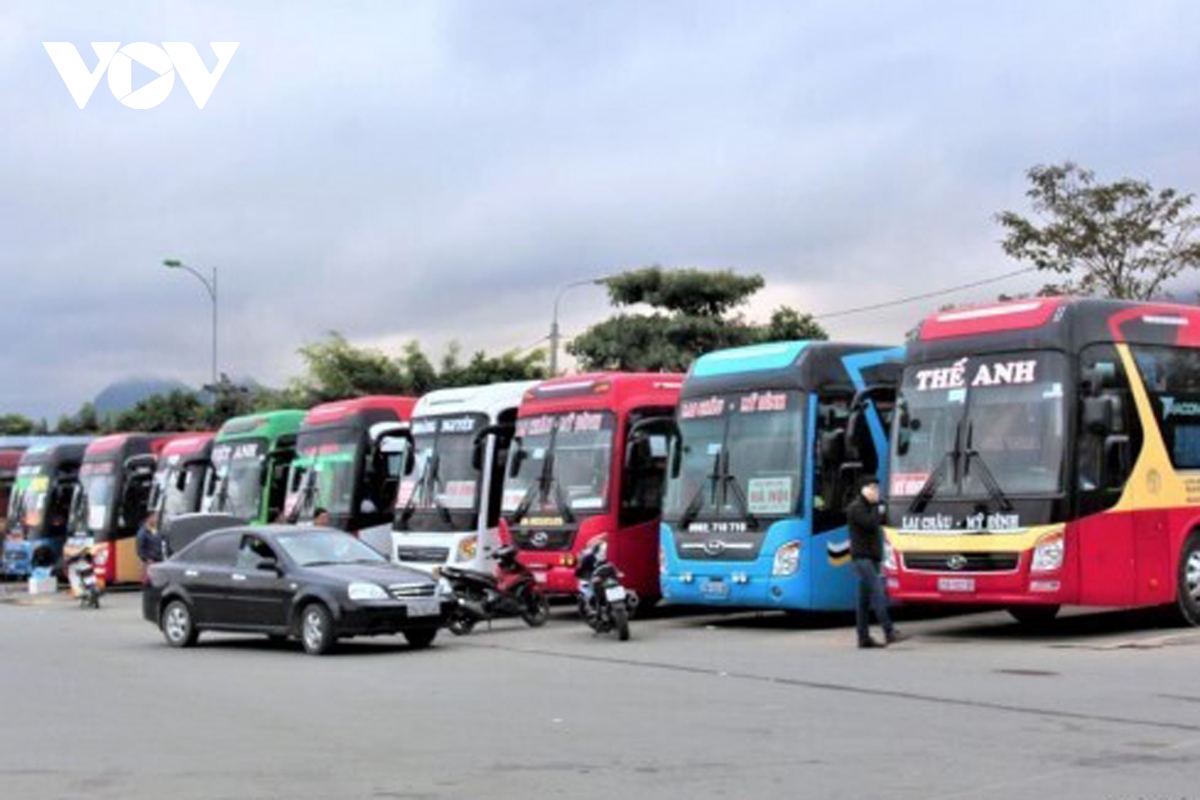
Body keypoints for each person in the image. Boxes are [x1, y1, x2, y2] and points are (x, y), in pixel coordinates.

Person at [846, 476, 903, 649]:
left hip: (872, 557)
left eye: (877, 488)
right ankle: (889, 631)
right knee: (878, 591)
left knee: (863, 601)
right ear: (863, 489)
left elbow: (882, 522)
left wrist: (881, 509)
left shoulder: (871, 507)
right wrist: (878, 507)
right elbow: (870, 524)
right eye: (872, 488)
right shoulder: (856, 508)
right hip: (862, 559)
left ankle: (863, 638)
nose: (875, 491)